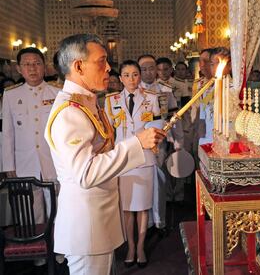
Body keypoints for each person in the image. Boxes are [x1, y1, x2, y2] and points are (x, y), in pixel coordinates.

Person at [45, 34, 165, 275]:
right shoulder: (70, 111)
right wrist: (136, 143)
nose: (109, 67)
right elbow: (86, 173)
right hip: (87, 224)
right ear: (78, 66)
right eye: (101, 61)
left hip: (98, 221)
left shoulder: (86, 103)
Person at [105, 60, 159, 268]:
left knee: (143, 207)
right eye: (126, 75)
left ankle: (141, 247)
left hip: (145, 157)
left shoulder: (152, 98)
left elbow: (158, 125)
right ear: (120, 78)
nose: (131, 79)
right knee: (127, 208)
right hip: (123, 159)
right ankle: (130, 246)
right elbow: (109, 134)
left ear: (139, 76)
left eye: (135, 74)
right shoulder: (110, 100)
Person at [2, 47, 60, 223]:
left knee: (56, 209)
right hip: (24, 163)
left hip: (53, 161)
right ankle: (35, 248)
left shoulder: (57, 93)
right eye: (27, 64)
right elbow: (7, 134)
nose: (32, 68)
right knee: (31, 212)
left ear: (44, 66)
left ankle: (57, 248)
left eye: (37, 63)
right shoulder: (11, 95)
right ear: (19, 69)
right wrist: (8, 165)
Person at [138, 54, 184, 231]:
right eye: (144, 69)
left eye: (151, 68)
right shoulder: (135, 91)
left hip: (160, 142)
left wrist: (178, 141)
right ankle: (145, 221)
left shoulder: (165, 90)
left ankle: (159, 221)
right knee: (143, 183)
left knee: (159, 181)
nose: (148, 72)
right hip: (140, 143)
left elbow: (174, 117)